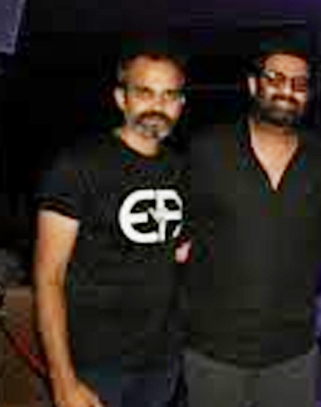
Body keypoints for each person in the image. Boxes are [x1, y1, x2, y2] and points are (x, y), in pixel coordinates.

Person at [182, 39, 321, 407]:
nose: (287, 90)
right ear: (254, 85)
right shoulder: (208, 150)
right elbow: (177, 236)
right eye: (275, 78)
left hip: (294, 355)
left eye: (299, 84)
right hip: (213, 352)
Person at [34, 49, 188, 407]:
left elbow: (180, 250)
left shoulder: (182, 170)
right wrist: (63, 380)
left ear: (181, 104)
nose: (158, 105)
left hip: (162, 362)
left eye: (169, 95)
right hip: (94, 365)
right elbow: (48, 277)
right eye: (145, 92)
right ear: (121, 98)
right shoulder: (78, 166)